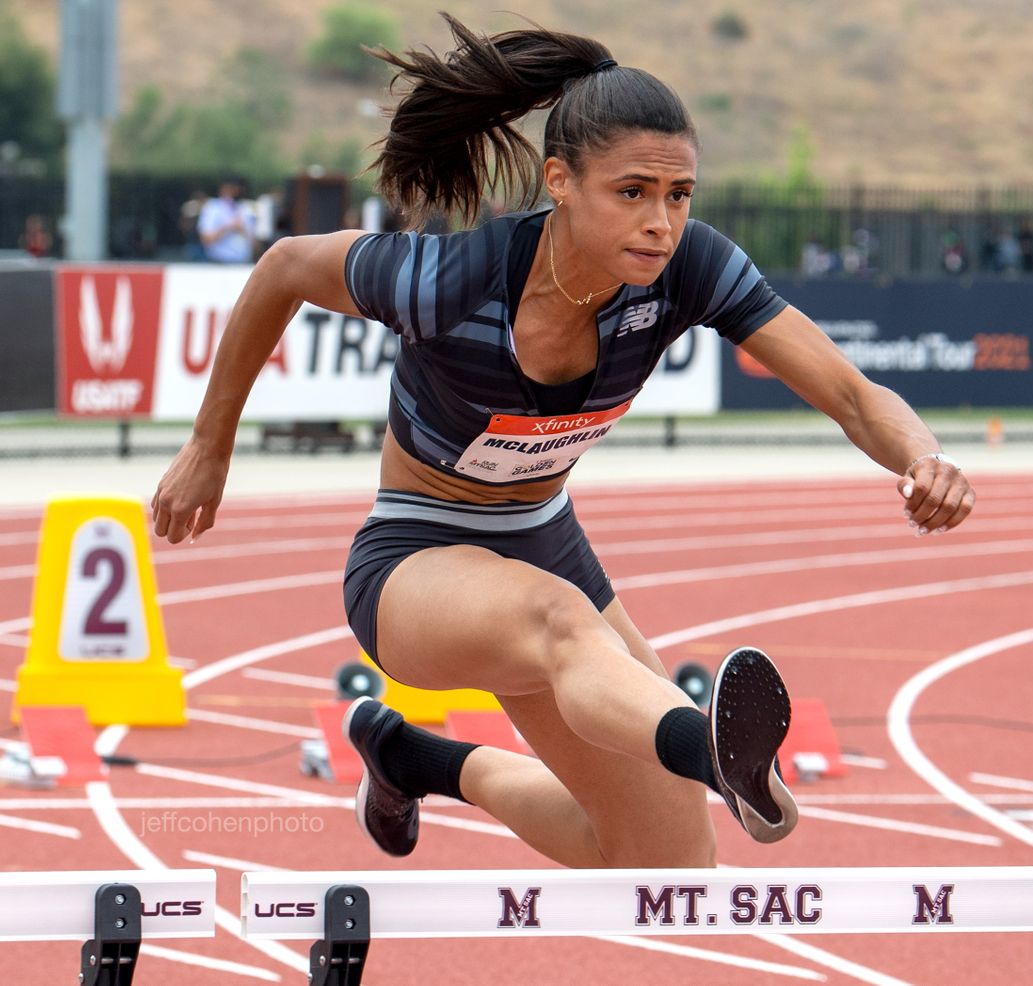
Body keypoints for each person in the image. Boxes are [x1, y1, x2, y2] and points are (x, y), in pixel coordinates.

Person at [151, 15, 975, 867]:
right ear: (561, 182)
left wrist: (925, 457)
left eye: (679, 194)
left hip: (545, 543)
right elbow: (285, 265)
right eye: (634, 192)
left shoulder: (689, 268)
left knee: (664, 863)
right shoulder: (453, 283)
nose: (661, 222)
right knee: (561, 619)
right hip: (415, 557)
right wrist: (211, 445)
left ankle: (415, 760)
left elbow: (848, 390)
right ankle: (712, 755)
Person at [197, 178, 255, 263]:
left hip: (242, 264)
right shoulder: (212, 208)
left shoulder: (245, 208)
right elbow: (206, 239)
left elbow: (254, 244)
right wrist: (229, 227)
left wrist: (243, 230)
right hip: (218, 264)